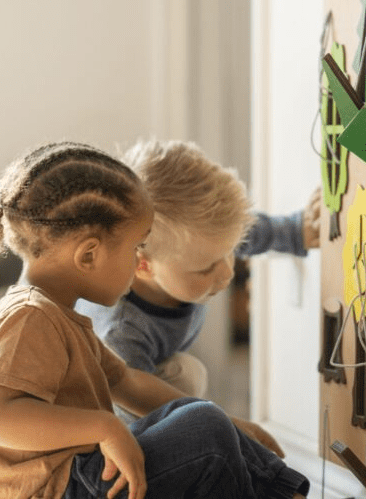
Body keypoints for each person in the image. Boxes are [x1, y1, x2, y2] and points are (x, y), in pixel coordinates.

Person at [0, 141, 310, 499]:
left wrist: (231, 426)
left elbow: (127, 381)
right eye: (135, 249)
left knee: (197, 414)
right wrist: (105, 427)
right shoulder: (29, 316)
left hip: (78, 477)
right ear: (89, 255)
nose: (138, 264)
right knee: (203, 429)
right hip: (48, 489)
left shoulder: (61, 314)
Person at [76, 139, 320, 399]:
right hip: (99, 399)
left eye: (230, 251)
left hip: (153, 358)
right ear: (142, 265)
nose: (227, 273)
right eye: (206, 269)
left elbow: (242, 231)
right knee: (187, 379)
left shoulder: (195, 246)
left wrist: (295, 231)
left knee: (187, 373)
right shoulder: (121, 333)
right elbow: (134, 406)